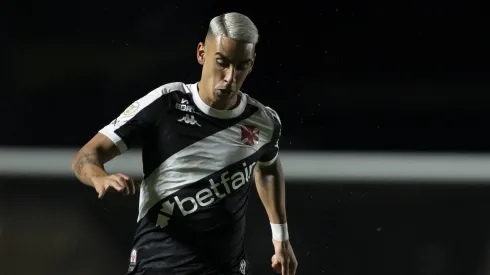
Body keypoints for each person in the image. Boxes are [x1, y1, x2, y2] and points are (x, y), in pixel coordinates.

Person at [71, 12, 298, 275]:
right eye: (222, 62)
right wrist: (99, 177)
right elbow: (86, 156)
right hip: (159, 266)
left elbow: (268, 167)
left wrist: (280, 238)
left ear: (252, 64)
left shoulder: (264, 122)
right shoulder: (165, 104)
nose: (230, 77)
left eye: (241, 66)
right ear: (201, 53)